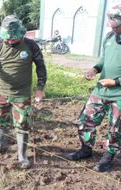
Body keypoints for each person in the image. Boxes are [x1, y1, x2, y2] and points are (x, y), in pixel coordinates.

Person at [0, 15, 47, 169]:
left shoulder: (31, 46)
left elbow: (41, 67)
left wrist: (40, 89)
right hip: (2, 93)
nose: (10, 41)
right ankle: (1, 145)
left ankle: (22, 155)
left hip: (22, 95)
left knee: (22, 124)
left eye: (14, 38)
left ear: (21, 34)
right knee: (0, 120)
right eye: (8, 38)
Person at [67, 4, 121, 172]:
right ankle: (86, 149)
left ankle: (108, 156)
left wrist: (116, 82)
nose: (115, 30)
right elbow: (103, 59)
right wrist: (95, 69)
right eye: (113, 26)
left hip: (119, 94)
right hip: (101, 90)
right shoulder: (109, 37)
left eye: (118, 27)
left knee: (116, 128)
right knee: (85, 121)